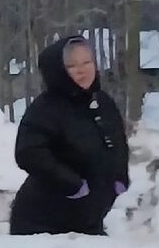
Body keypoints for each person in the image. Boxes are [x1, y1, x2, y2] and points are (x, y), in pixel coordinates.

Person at [8, 34, 130, 236]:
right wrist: (71, 185)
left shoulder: (103, 102)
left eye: (87, 62)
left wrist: (119, 178)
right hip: (43, 223)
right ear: (58, 71)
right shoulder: (46, 108)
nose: (82, 70)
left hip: (89, 220)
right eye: (72, 66)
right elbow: (29, 153)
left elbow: (118, 143)